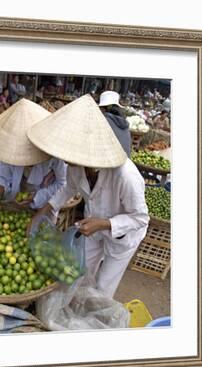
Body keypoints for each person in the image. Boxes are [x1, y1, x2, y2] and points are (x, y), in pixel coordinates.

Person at [27, 94, 149, 298]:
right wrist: (41, 213)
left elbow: (140, 218)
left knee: (103, 286)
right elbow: (66, 190)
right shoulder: (76, 166)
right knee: (81, 272)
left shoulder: (125, 176)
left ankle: (93, 321)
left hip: (122, 236)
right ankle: (75, 312)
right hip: (93, 229)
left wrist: (103, 224)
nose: (66, 161)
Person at [0, 99, 67, 212]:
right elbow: (3, 178)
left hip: (43, 206)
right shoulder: (10, 149)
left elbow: (61, 183)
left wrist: (37, 197)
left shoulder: (52, 153)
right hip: (15, 205)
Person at [98, 91, 131, 157]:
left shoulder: (103, 121)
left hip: (112, 163)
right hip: (126, 162)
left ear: (104, 108)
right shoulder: (124, 122)